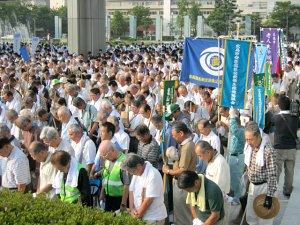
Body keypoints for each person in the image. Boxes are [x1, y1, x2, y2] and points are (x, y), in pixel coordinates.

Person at [162, 121, 197, 225]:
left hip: (184, 183)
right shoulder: (184, 145)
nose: (173, 137)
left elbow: (182, 169)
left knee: (183, 212)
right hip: (181, 182)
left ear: (181, 133)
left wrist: (168, 171)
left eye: (174, 135)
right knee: (179, 209)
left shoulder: (187, 147)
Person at [244, 122, 277, 225]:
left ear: (258, 136)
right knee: (251, 217)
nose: (248, 142)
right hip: (252, 187)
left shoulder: (268, 150)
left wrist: (270, 196)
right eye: (246, 139)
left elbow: (272, 175)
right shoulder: (249, 148)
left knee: (264, 218)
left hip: (264, 187)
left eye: (250, 139)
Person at [123, 153, 167, 224]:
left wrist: (138, 216)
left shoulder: (153, 175)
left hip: (153, 218)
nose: (131, 174)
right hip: (139, 215)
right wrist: (132, 209)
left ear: (139, 166)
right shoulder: (137, 172)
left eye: (132, 171)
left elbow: (148, 200)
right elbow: (131, 190)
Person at [195, 141, 230, 225]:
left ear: (208, 152)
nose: (200, 159)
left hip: (218, 204)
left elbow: (218, 189)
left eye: (200, 156)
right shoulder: (211, 160)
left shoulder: (220, 163)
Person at [273, 95, 299, 197]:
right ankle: (287, 190)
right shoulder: (295, 117)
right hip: (291, 148)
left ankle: (273, 191)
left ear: (279, 105)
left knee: (276, 172)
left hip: (279, 148)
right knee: (290, 171)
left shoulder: (275, 118)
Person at [99, 140, 130, 212]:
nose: (104, 157)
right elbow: (105, 177)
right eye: (102, 156)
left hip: (119, 199)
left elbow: (127, 184)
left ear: (112, 150)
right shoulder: (107, 161)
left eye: (105, 155)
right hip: (108, 198)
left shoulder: (124, 161)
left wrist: (123, 204)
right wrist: (102, 193)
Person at [228, 108, 245, 204]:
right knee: (233, 178)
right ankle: (235, 196)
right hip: (233, 156)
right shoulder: (239, 130)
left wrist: (233, 117)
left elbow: (234, 130)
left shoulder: (241, 131)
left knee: (236, 179)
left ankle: (237, 198)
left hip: (238, 157)